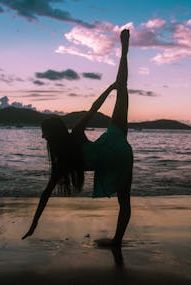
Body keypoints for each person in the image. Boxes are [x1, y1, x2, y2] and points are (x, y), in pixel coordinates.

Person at [22, 29, 133, 246]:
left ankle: (117, 241)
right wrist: (110, 88)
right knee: (123, 90)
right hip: (116, 143)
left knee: (124, 200)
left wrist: (33, 225)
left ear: (52, 134)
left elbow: (45, 195)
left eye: (45, 133)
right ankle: (124, 51)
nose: (43, 137)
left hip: (116, 156)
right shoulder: (75, 134)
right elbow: (93, 108)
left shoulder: (61, 162)